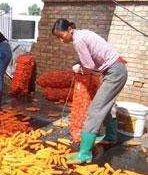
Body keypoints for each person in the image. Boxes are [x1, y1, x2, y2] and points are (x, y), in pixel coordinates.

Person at [52, 18, 128, 164]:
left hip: (115, 72)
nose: (62, 41)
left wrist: (79, 67)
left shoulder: (78, 40)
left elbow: (89, 66)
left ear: (69, 30)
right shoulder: (82, 34)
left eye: (61, 36)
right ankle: (110, 136)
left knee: (95, 109)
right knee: (106, 105)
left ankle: (85, 153)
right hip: (116, 70)